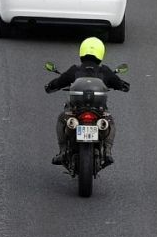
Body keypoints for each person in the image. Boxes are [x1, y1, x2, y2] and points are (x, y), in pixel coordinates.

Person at [44, 37, 130, 167]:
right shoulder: (104, 71)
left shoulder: (74, 70)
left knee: (62, 119)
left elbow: (58, 82)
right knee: (110, 121)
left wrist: (50, 86)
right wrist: (122, 85)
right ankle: (107, 151)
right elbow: (121, 84)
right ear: (100, 53)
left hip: (76, 110)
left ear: (82, 52)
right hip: (99, 111)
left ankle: (62, 151)